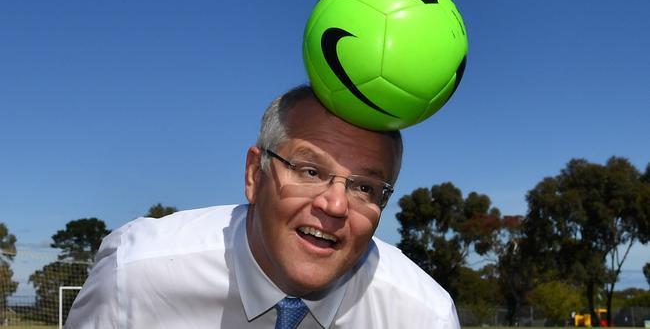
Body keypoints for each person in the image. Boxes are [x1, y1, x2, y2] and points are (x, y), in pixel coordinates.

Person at [65, 85, 460, 329]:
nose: (336, 204)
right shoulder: (135, 277)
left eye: (364, 187)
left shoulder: (423, 317)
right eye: (309, 170)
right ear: (255, 174)